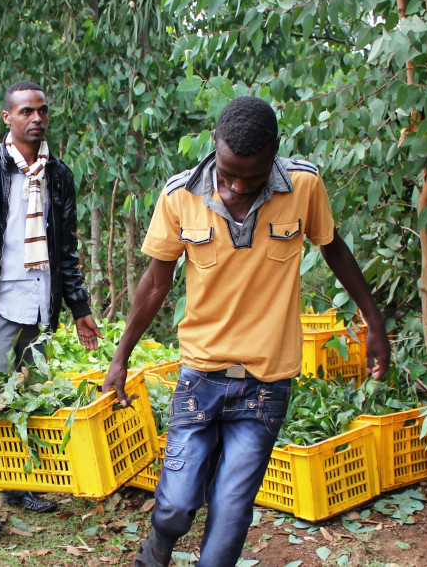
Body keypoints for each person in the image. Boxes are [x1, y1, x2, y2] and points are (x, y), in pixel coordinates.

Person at [102, 97, 391, 567]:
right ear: (215, 145)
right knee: (174, 508)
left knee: (231, 517)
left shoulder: (303, 185)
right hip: (201, 376)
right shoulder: (180, 196)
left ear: (274, 153)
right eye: (227, 171)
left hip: (266, 382)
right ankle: (156, 550)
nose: (237, 185)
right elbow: (156, 284)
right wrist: (120, 359)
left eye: (251, 177)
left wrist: (373, 322)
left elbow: (334, 250)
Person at [0, 80, 101, 536]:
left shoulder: (59, 176)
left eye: (42, 112)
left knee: (27, 400)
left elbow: (66, 249)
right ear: (7, 118)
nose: (36, 119)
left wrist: (79, 305)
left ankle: (16, 484)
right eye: (26, 112)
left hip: (40, 304)